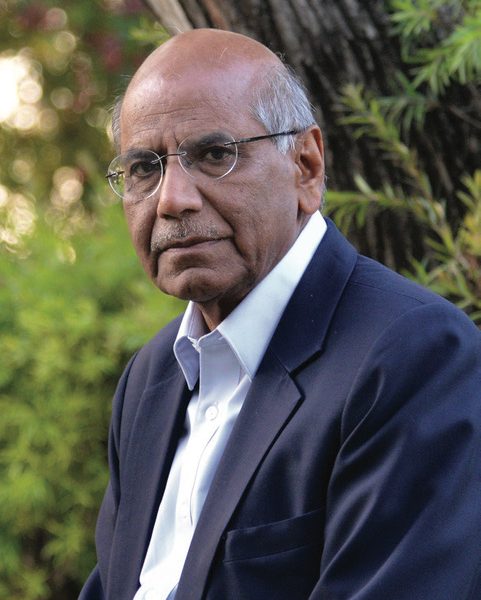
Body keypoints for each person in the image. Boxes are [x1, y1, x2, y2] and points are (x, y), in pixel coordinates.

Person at [80, 28, 481, 600]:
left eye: (215, 155)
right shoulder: (151, 378)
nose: (172, 200)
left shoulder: (413, 357)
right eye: (145, 168)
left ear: (306, 167)